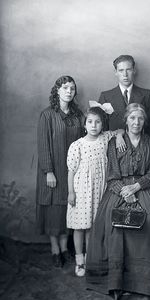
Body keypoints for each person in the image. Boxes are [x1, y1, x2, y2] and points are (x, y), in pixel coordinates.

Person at [86, 103, 150, 300]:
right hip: (118, 189)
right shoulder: (115, 143)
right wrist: (124, 192)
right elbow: (112, 175)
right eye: (132, 118)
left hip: (143, 187)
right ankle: (116, 281)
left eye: (140, 118)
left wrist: (136, 187)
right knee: (112, 220)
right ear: (126, 120)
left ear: (145, 122)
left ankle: (143, 279)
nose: (136, 122)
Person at [67, 104, 126, 277]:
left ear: (103, 124)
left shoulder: (105, 138)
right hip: (81, 191)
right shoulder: (77, 145)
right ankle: (79, 259)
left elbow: (121, 130)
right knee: (79, 226)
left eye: (98, 122)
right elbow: (71, 172)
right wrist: (71, 192)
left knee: (92, 227)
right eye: (90, 122)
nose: (94, 125)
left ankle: (90, 257)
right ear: (84, 125)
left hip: (99, 190)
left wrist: (120, 136)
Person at [36, 75, 84, 268]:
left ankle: (65, 248)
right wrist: (48, 171)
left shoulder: (77, 115)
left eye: (72, 88)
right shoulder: (47, 115)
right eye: (65, 88)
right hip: (53, 172)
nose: (69, 91)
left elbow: (85, 139)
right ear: (57, 91)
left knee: (67, 211)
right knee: (53, 212)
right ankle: (55, 249)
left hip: (71, 172)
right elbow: (43, 145)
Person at [98, 55, 150, 136]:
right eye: (121, 70)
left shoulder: (146, 95)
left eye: (128, 70)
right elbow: (102, 128)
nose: (125, 74)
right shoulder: (105, 97)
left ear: (134, 70)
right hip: (114, 144)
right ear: (116, 72)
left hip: (140, 145)